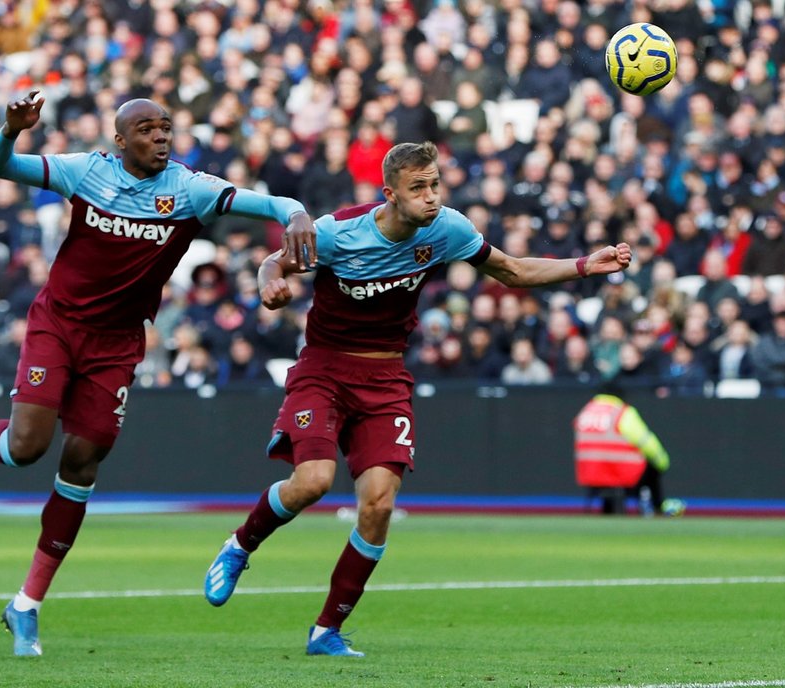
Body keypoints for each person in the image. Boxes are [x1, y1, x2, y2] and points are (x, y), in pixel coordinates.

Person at [202, 141, 631, 657]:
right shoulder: (340, 233)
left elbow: (514, 271)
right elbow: (275, 263)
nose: (431, 197)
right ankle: (240, 545)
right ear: (390, 194)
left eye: (435, 185)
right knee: (313, 482)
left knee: (379, 504)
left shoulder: (446, 228)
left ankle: (326, 631)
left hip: (385, 378)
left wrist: (585, 264)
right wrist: (270, 285)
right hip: (325, 369)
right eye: (418, 188)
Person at [0, 92, 315, 656]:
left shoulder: (188, 189)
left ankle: (27, 605)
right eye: (148, 130)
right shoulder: (85, 172)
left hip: (117, 346)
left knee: (82, 461)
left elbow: (272, 205)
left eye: (166, 128)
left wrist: (296, 213)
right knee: (27, 447)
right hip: (58, 325)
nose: (161, 137)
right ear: (120, 139)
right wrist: (10, 132)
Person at [573, 381, 685, 517]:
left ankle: (608, 510)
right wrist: (662, 462)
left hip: (590, 473)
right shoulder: (621, 412)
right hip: (619, 473)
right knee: (653, 469)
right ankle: (657, 509)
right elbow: (645, 441)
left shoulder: (586, 412)